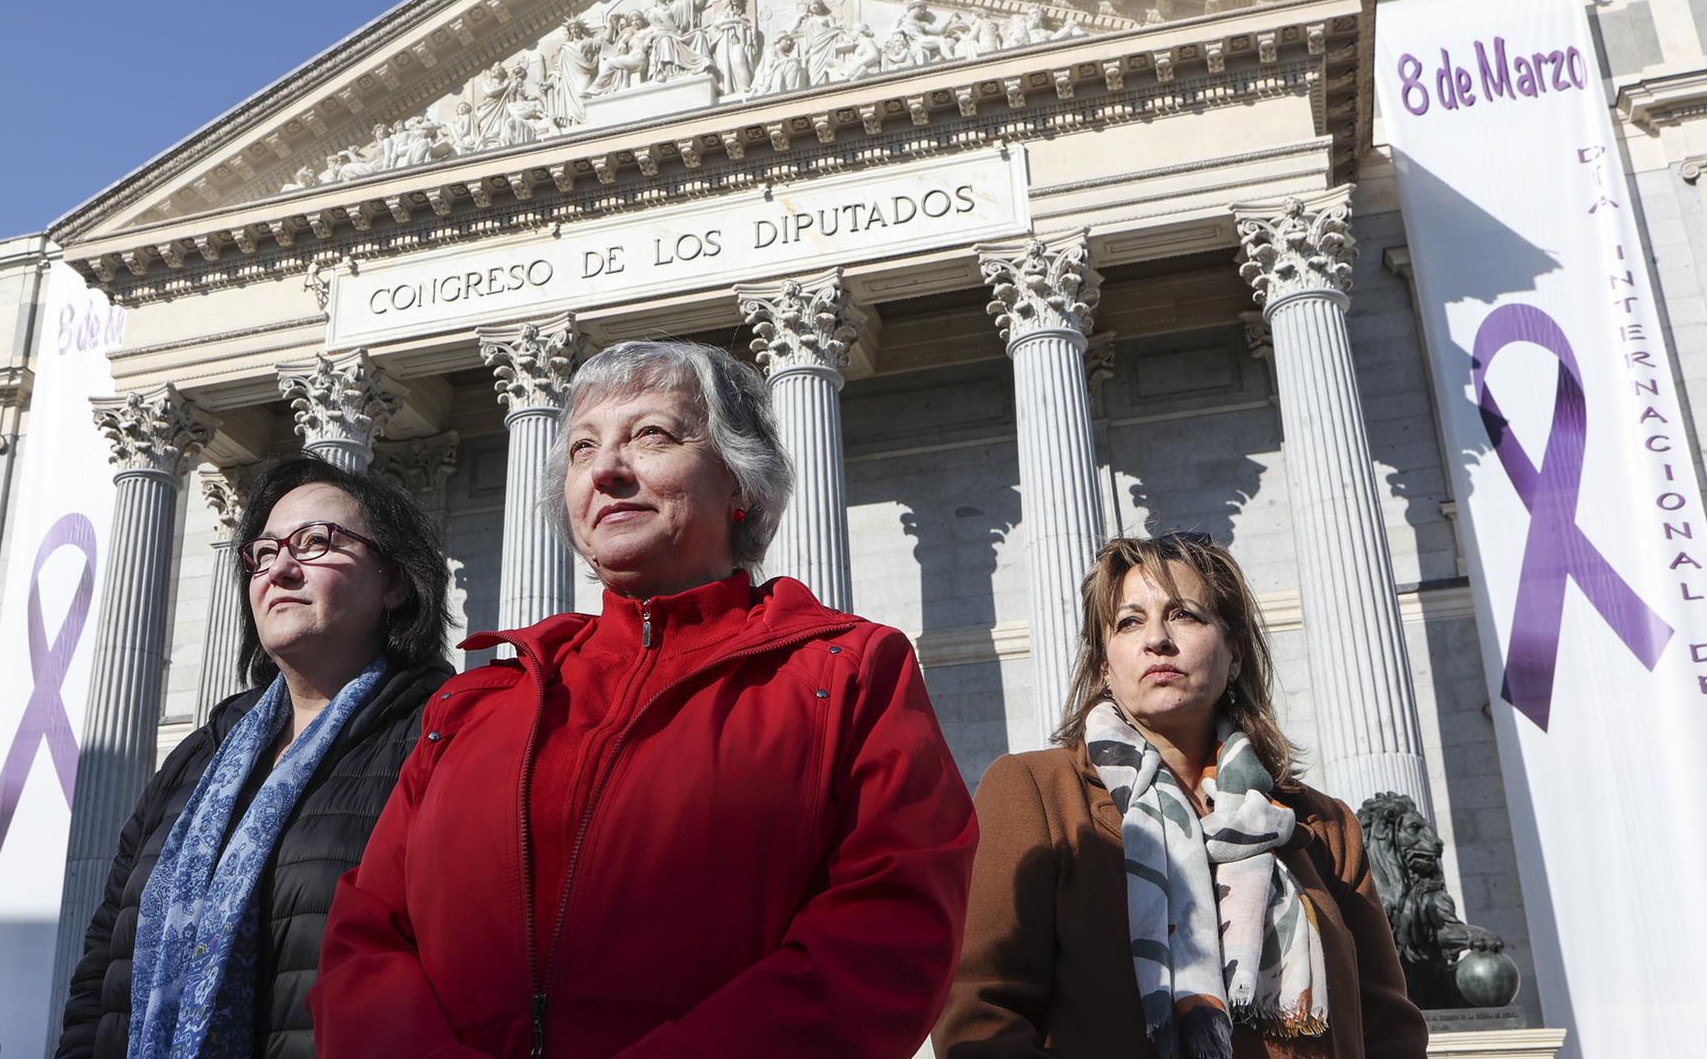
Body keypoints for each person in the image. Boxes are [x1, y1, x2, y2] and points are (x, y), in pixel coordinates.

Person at [311, 340, 979, 1058]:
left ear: (740, 482)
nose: (605, 469)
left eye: (651, 435)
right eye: (581, 448)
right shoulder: (475, 703)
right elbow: (364, 938)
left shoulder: (849, 672)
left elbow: (888, 933)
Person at [934, 535, 1427, 1059]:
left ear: (1234, 653)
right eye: (1129, 622)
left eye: (1185, 615)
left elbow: (1390, 1028)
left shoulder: (1323, 826)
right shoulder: (1035, 793)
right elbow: (981, 1016)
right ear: (1104, 664)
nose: (1157, 640)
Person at [55, 456, 455, 1059]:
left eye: (316, 542)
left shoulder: (441, 739)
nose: (281, 569)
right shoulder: (199, 760)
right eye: (263, 553)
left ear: (396, 581)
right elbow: (102, 971)